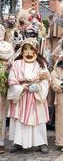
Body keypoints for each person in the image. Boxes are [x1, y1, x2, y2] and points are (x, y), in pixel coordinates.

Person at [7, 38, 50, 154]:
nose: (28, 53)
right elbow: (11, 80)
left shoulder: (41, 65)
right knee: (19, 120)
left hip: (36, 98)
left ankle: (41, 142)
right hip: (21, 98)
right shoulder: (16, 64)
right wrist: (21, 88)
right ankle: (18, 142)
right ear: (21, 51)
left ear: (36, 50)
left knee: (37, 119)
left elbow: (46, 80)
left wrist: (38, 87)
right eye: (25, 49)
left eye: (31, 49)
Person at [0, 24, 14, 154]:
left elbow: (9, 57)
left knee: (1, 113)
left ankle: (0, 142)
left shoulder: (7, 46)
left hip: (2, 83)